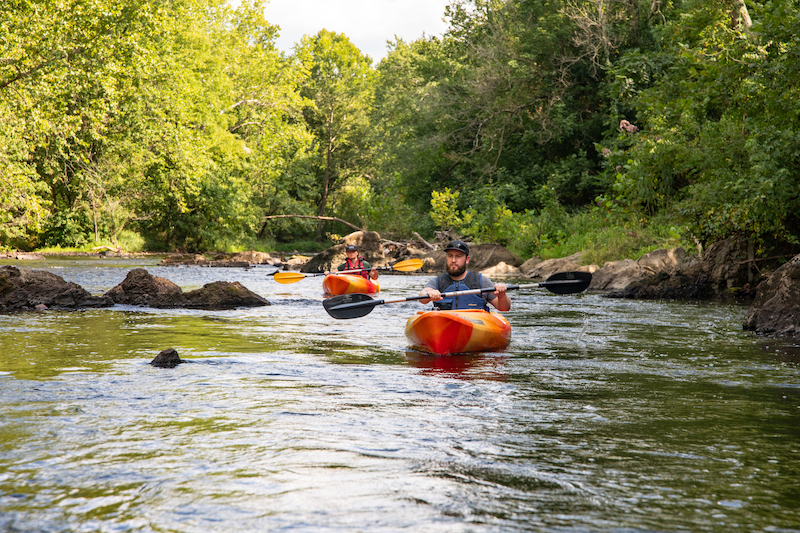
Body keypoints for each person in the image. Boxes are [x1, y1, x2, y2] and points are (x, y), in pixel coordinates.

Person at [418, 240, 510, 311]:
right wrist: (429, 293)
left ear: (467, 259)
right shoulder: (437, 282)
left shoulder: (481, 281)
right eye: (450, 256)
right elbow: (422, 297)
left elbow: (504, 308)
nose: (453, 260)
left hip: (475, 326)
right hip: (445, 325)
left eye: (458, 256)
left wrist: (502, 295)